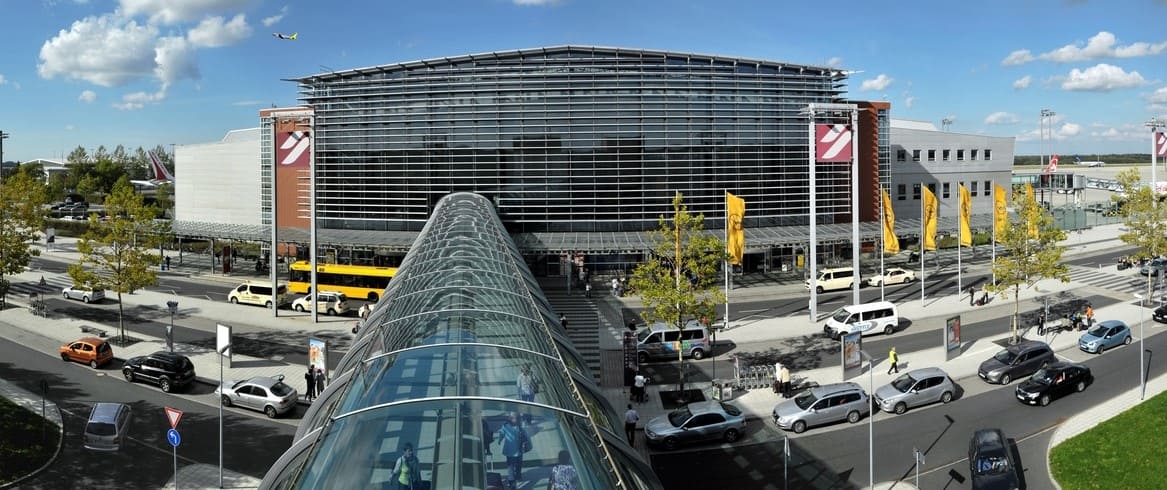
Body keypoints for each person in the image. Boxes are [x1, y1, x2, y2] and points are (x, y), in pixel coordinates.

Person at [497, 413, 530, 490]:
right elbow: (525, 435)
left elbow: (501, 434)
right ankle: (517, 477)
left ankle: (512, 482)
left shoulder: (505, 426)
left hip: (510, 451)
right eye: (517, 418)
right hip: (518, 450)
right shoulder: (519, 427)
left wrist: (499, 440)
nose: (518, 420)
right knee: (517, 465)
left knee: (511, 467)